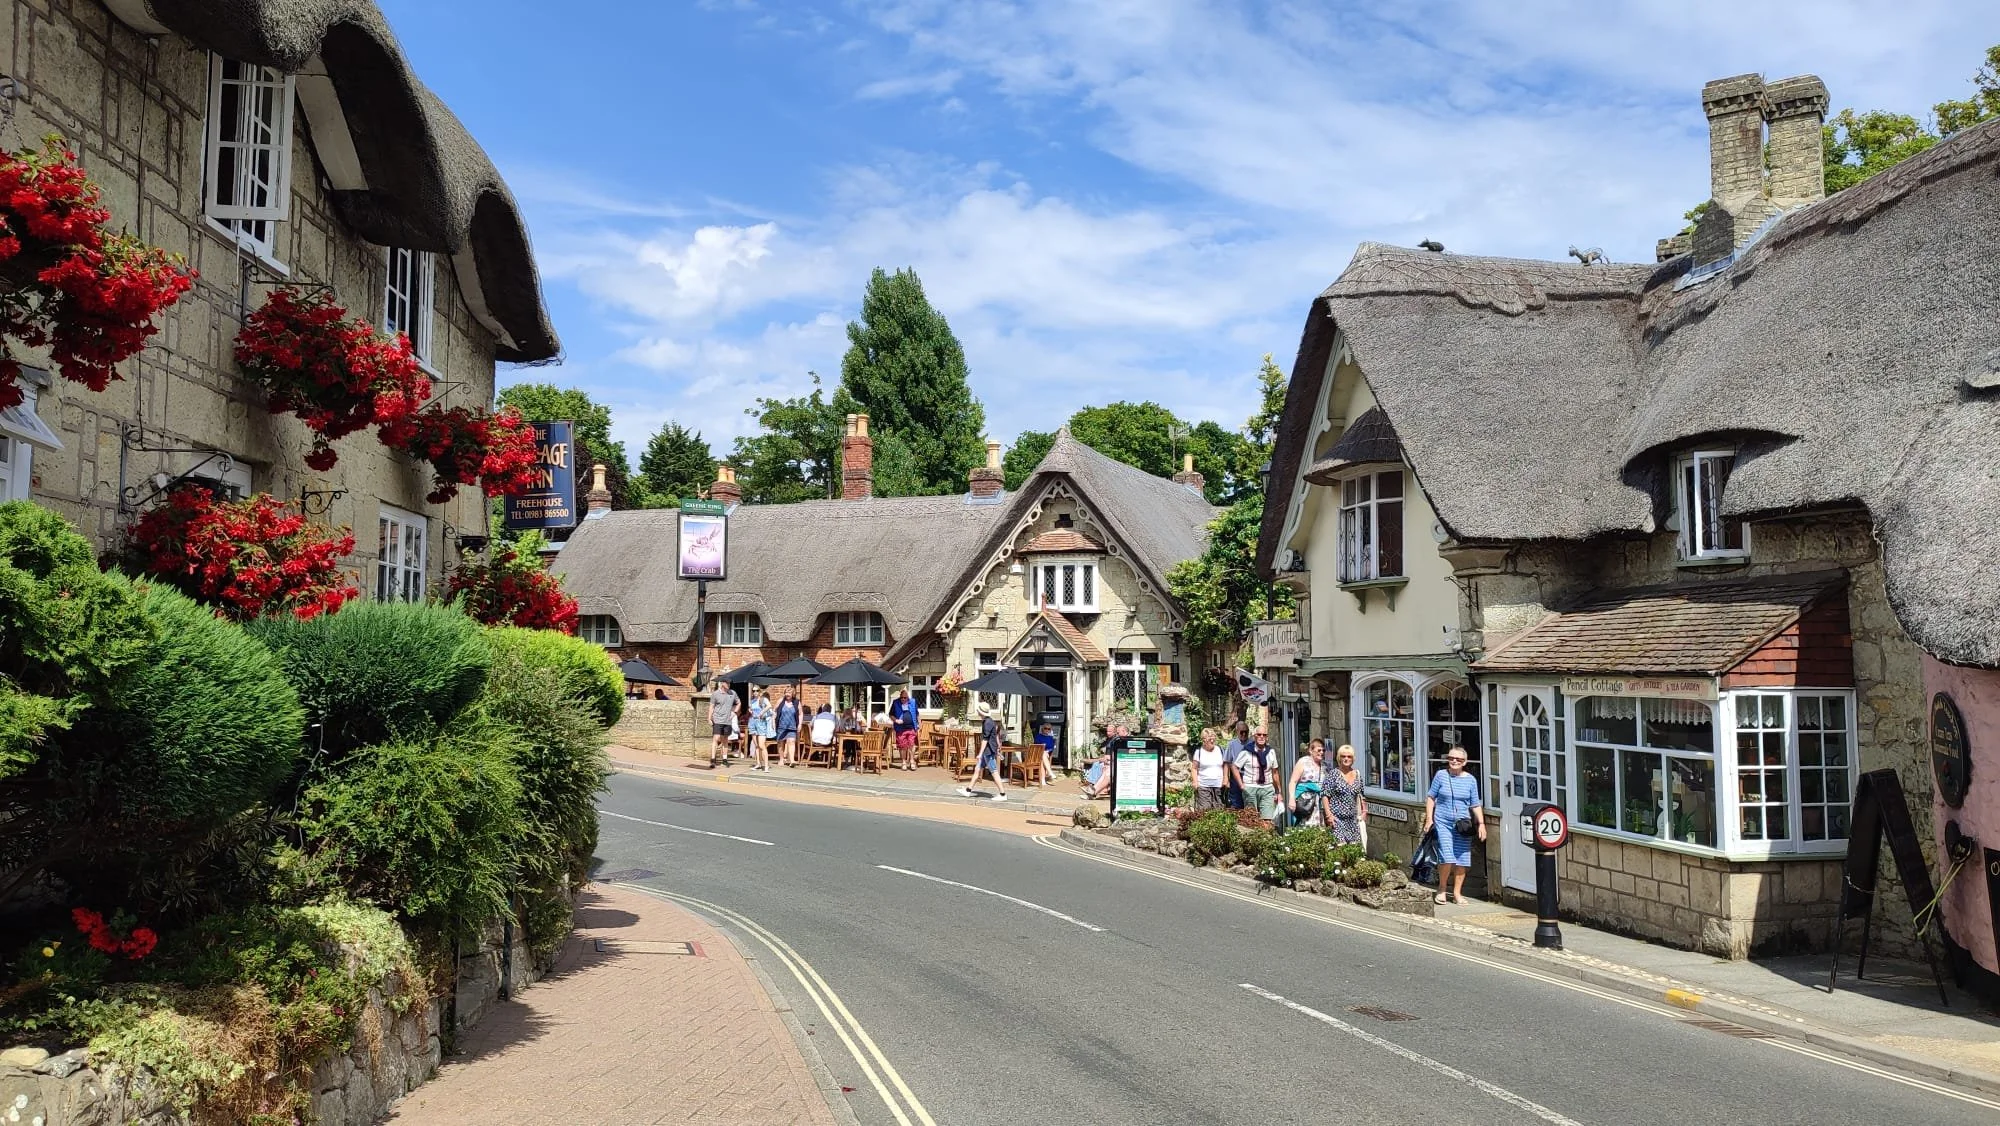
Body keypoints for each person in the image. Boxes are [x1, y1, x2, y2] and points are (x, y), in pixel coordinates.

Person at [1423, 745, 1486, 905]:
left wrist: (1481, 824)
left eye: (1458, 759)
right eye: (1451, 758)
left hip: (1462, 825)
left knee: (1462, 859)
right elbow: (1431, 797)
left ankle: (1457, 893)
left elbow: (1475, 804)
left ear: (1464, 762)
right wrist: (1429, 819)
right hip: (1443, 821)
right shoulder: (1441, 775)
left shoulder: (1471, 780)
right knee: (1447, 855)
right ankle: (1442, 889)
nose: (1454, 761)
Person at [1232, 728, 1282, 825]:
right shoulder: (1247, 751)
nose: (1261, 737)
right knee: (1251, 818)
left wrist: (1278, 791)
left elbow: (1275, 772)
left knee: (1268, 820)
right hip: (1250, 787)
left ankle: (1266, 838)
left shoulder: (1271, 751)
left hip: (1267, 788)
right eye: (1259, 734)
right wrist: (1241, 785)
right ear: (1254, 736)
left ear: (1267, 737)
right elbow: (1234, 767)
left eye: (1264, 735)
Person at [960, 703, 1009, 801]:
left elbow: (985, 740)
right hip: (988, 751)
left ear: (980, 712)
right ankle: (968, 790)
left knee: (994, 772)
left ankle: (1003, 794)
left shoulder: (987, 723)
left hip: (988, 751)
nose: (977, 711)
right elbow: (995, 735)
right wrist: (998, 745)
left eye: (978, 710)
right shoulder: (989, 721)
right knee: (977, 769)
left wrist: (980, 753)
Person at [1322, 743, 1367, 844]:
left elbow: (1362, 796)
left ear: (1353, 758)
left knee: (1353, 852)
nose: (1346, 759)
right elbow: (1325, 795)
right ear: (1339, 758)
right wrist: (1329, 816)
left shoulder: (1357, 775)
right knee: (1339, 850)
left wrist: (1365, 811)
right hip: (1337, 820)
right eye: (1343, 756)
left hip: (1353, 821)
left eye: (1349, 756)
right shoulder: (1333, 774)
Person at [1289, 739, 1327, 825]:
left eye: (1323, 750)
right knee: (1304, 828)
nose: (1321, 752)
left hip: (1319, 804)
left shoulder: (1325, 766)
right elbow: (1293, 782)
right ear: (1311, 750)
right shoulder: (1303, 762)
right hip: (1305, 802)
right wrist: (1291, 799)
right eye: (1319, 750)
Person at [1190, 727, 1228, 811]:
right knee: (1204, 810)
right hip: (1203, 786)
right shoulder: (1199, 752)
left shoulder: (1220, 750)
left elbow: (1225, 765)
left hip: (1219, 786)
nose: (1212, 741)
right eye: (1209, 739)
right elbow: (1194, 768)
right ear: (1204, 740)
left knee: (1219, 810)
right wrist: (1195, 782)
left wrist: (1225, 778)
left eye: (1213, 738)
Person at [707, 680, 739, 767]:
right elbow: (711, 706)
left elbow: (739, 703)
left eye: (729, 683)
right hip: (717, 719)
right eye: (727, 683)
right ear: (722, 684)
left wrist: (734, 712)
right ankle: (713, 759)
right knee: (716, 738)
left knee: (725, 740)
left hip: (727, 721)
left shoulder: (733, 693)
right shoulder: (715, 694)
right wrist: (709, 718)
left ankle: (724, 759)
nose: (729, 685)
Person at [889, 688, 920, 771]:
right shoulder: (896, 703)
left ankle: (912, 761)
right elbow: (891, 715)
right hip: (900, 728)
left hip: (911, 727)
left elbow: (917, 714)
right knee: (902, 746)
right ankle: (903, 762)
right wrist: (896, 720)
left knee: (912, 744)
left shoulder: (913, 702)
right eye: (901, 697)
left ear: (908, 697)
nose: (903, 699)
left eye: (905, 698)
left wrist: (918, 725)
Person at [746, 690, 773, 771]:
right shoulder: (752, 701)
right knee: (756, 745)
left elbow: (769, 706)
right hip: (753, 722)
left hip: (761, 723)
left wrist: (762, 712)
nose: (755, 692)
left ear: (760, 692)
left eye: (757, 691)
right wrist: (750, 711)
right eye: (753, 691)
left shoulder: (763, 699)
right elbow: (751, 709)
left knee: (762, 745)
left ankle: (766, 765)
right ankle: (758, 763)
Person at [775, 691, 800, 768]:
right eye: (786, 693)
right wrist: (773, 720)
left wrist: (800, 724)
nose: (787, 694)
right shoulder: (781, 701)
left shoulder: (796, 702)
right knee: (780, 742)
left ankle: (792, 760)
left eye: (789, 693)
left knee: (791, 741)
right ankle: (781, 759)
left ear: (793, 694)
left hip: (792, 726)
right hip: (781, 725)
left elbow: (801, 713)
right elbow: (774, 710)